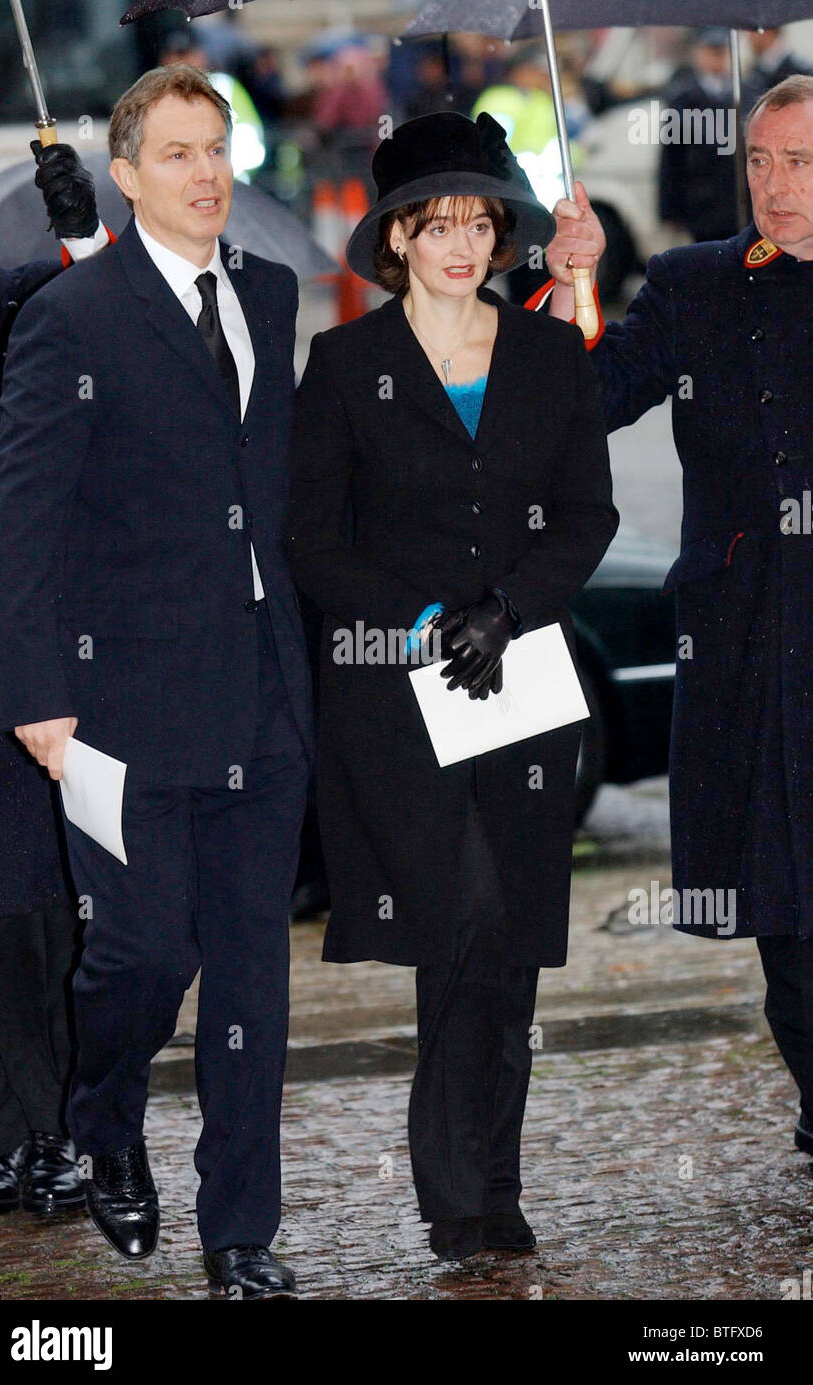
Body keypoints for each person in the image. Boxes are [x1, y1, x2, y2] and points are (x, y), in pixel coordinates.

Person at [0, 66, 313, 1299]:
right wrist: (35, 697)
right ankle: (106, 1117)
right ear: (125, 177)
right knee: (137, 954)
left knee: (247, 980)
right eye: (177, 153)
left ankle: (240, 1234)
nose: (207, 173)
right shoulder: (69, 319)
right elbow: (23, 520)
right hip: (114, 707)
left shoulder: (270, 296)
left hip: (259, 700)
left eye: (217, 150)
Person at [285, 111, 618, 1262]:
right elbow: (313, 542)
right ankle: (456, 1191)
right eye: (438, 225)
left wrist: (510, 608)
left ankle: (494, 1184)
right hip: (396, 700)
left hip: (523, 684)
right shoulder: (344, 365)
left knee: (512, 939)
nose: (463, 242)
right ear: (398, 241)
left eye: (480, 220)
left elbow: (589, 513)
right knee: (464, 919)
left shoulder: (546, 356)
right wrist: (424, 621)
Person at [542, 74, 813, 1164]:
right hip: (747, 634)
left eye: (798, 164)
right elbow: (584, 401)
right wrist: (573, 285)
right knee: (787, 908)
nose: (774, 186)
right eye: (760, 162)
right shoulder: (699, 286)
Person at [0, 136, 109, 1218]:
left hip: (6, 662)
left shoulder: (11, 310)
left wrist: (82, 227)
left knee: (32, 911)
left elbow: (104, 314)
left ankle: (56, 1128)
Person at [659, 28, 738, 243]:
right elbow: (670, 160)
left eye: (722, 52)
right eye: (711, 51)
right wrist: (670, 212)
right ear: (698, 54)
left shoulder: (744, 93)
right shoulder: (683, 100)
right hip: (702, 206)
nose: (717, 59)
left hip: (737, 206)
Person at [745, 28, 812, 110]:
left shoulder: (802, 70)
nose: (748, 39)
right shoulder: (756, 72)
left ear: (767, 32)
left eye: (752, 33)